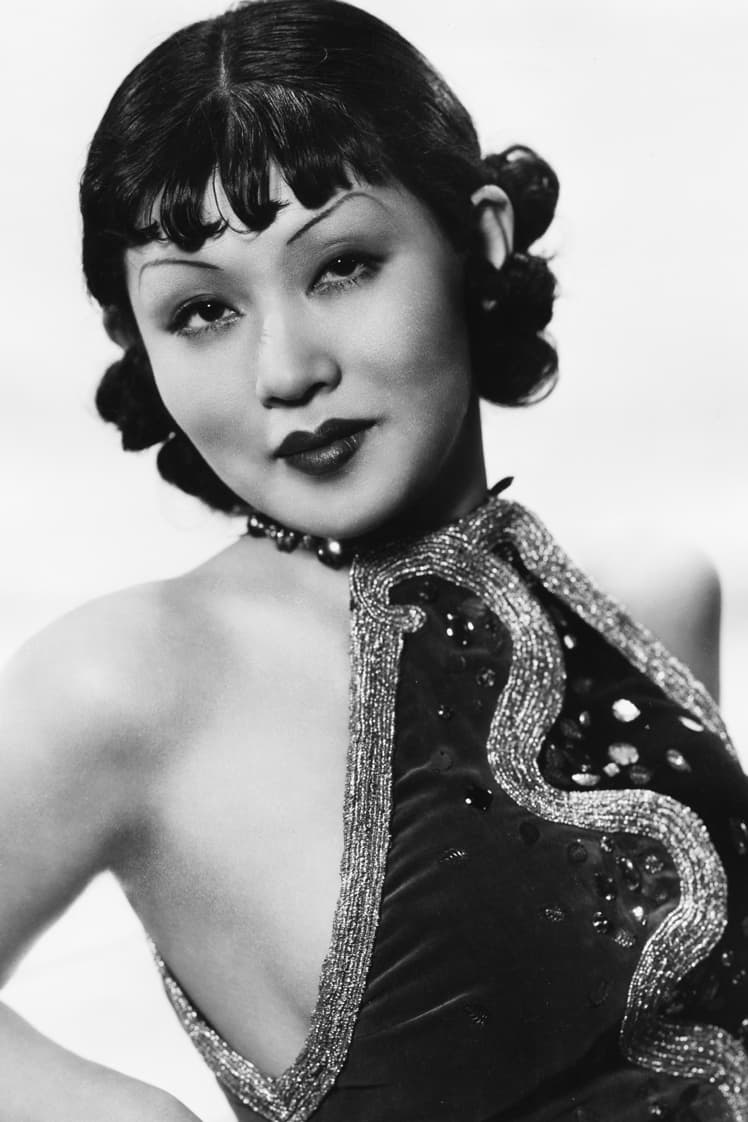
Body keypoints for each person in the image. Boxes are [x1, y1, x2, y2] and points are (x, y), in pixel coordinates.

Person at [1, 1, 747, 1120]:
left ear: (478, 237)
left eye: (343, 266)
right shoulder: (129, 683)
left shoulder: (654, 595)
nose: (287, 369)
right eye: (201, 311)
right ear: (139, 346)